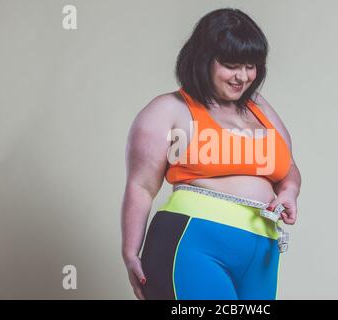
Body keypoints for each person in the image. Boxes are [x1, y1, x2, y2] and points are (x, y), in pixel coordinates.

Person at [121, 8, 301, 300]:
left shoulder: (260, 107)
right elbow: (141, 186)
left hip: (262, 250)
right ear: (203, 60)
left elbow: (288, 166)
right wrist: (130, 252)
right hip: (193, 242)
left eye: (251, 66)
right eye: (231, 65)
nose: (242, 77)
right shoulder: (168, 110)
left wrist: (290, 191)